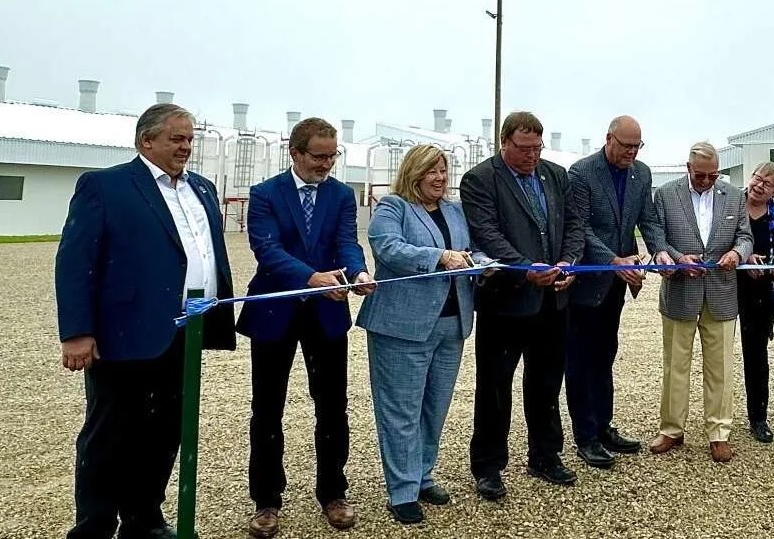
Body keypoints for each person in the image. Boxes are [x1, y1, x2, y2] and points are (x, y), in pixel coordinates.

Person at [55, 103, 237, 539]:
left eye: (190, 139)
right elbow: (75, 261)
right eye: (177, 138)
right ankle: (94, 526)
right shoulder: (106, 186)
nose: (186, 147)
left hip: (185, 332)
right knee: (109, 436)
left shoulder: (204, 190)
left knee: (165, 432)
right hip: (123, 334)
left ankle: (143, 519)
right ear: (146, 141)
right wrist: (78, 332)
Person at [236, 117, 374, 537]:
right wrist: (311, 278)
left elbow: (346, 241)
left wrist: (357, 270)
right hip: (276, 311)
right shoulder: (264, 194)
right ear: (295, 152)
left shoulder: (341, 194)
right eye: (319, 156)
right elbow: (267, 249)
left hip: (327, 314)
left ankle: (333, 493)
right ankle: (266, 501)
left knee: (333, 406)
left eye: (333, 155)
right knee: (267, 409)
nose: (327, 164)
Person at [356, 145, 490, 524]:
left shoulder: (454, 210)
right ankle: (401, 490)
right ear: (413, 172)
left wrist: (482, 264)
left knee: (434, 408)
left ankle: (422, 475)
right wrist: (440, 257)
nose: (439, 178)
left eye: (444, 171)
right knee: (401, 410)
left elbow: (471, 250)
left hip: (452, 324)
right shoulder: (393, 207)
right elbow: (388, 248)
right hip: (402, 327)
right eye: (431, 171)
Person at [460, 111, 585, 500]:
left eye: (537, 147)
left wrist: (568, 262)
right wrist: (523, 269)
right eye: (524, 148)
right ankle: (488, 466)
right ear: (504, 143)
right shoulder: (480, 180)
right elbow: (487, 234)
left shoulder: (555, 175)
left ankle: (545, 455)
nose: (532, 155)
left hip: (554, 299)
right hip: (506, 303)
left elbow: (574, 225)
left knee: (547, 382)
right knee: (495, 388)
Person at [564, 115, 669, 469]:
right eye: (626, 146)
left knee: (606, 354)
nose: (632, 153)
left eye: (638, 146)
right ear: (608, 139)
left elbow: (648, 220)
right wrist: (612, 260)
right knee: (580, 361)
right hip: (587, 284)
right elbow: (580, 227)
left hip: (616, 286)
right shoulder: (581, 173)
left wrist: (660, 251)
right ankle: (586, 436)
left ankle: (604, 425)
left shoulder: (642, 173)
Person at [648, 141, 753, 463]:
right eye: (700, 176)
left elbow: (745, 237)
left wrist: (737, 254)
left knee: (720, 367)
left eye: (713, 175)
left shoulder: (734, 195)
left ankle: (719, 433)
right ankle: (671, 429)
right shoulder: (665, 195)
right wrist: (678, 259)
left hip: (721, 292)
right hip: (680, 291)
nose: (707, 181)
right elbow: (657, 237)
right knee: (675, 365)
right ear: (688, 168)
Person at [736, 162, 774, 444]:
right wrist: (742, 257)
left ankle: (758, 417)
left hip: (760, 292)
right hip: (725, 286)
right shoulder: (731, 202)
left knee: (756, 357)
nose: (759, 185)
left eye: (767, 184)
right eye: (758, 178)